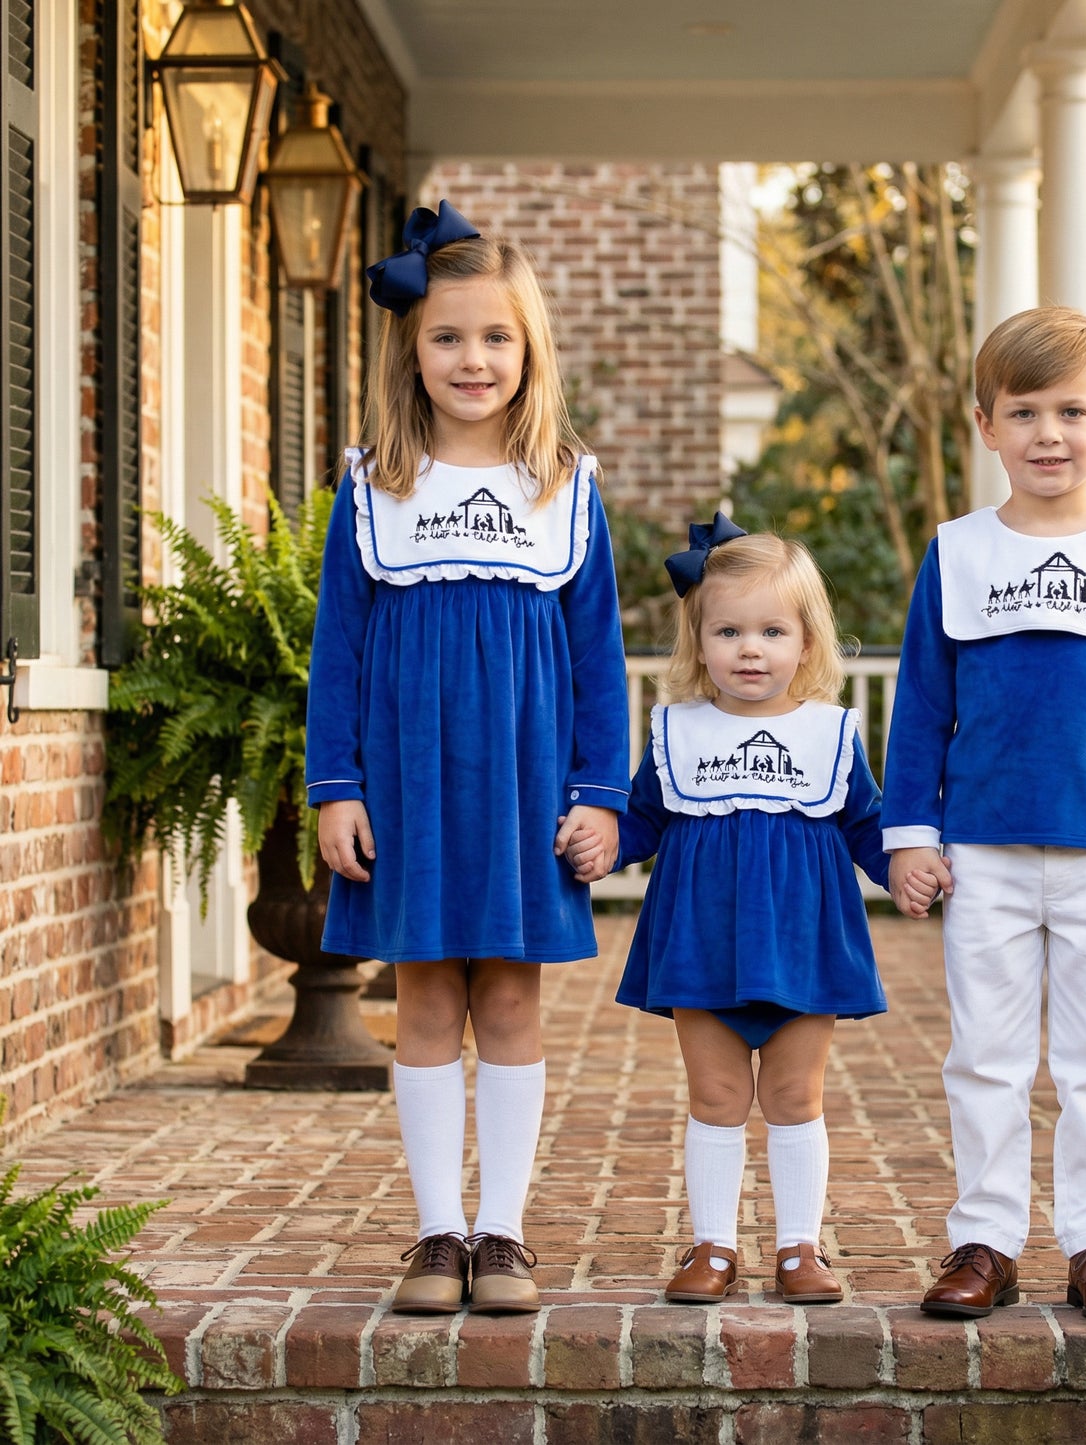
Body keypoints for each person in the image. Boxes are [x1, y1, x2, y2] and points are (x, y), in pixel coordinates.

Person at [305, 201, 630, 1315]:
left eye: (495, 337)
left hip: (524, 788)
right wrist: (333, 787)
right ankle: (436, 1230)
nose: (472, 358)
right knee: (425, 999)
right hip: (406, 784)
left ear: (527, 346)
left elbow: (599, 657)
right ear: (412, 348)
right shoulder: (372, 483)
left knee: (508, 999)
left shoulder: (564, 484)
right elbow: (335, 651)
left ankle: (506, 1232)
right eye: (447, 337)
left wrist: (601, 794)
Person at [882, 306, 1086, 1321]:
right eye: (1022, 411)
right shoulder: (958, 550)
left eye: (1070, 409)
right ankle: (981, 1237)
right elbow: (921, 701)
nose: (1047, 433)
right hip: (981, 850)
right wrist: (908, 832)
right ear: (985, 425)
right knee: (983, 1052)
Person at [564, 518, 890, 1304]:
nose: (751, 648)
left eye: (772, 630)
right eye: (729, 630)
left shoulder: (830, 734)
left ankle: (796, 1246)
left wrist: (910, 866)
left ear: (806, 642)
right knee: (713, 1098)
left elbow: (866, 826)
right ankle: (711, 1244)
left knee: (793, 1097)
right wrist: (602, 840)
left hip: (804, 945)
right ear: (698, 640)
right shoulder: (676, 731)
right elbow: (641, 818)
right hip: (698, 945)